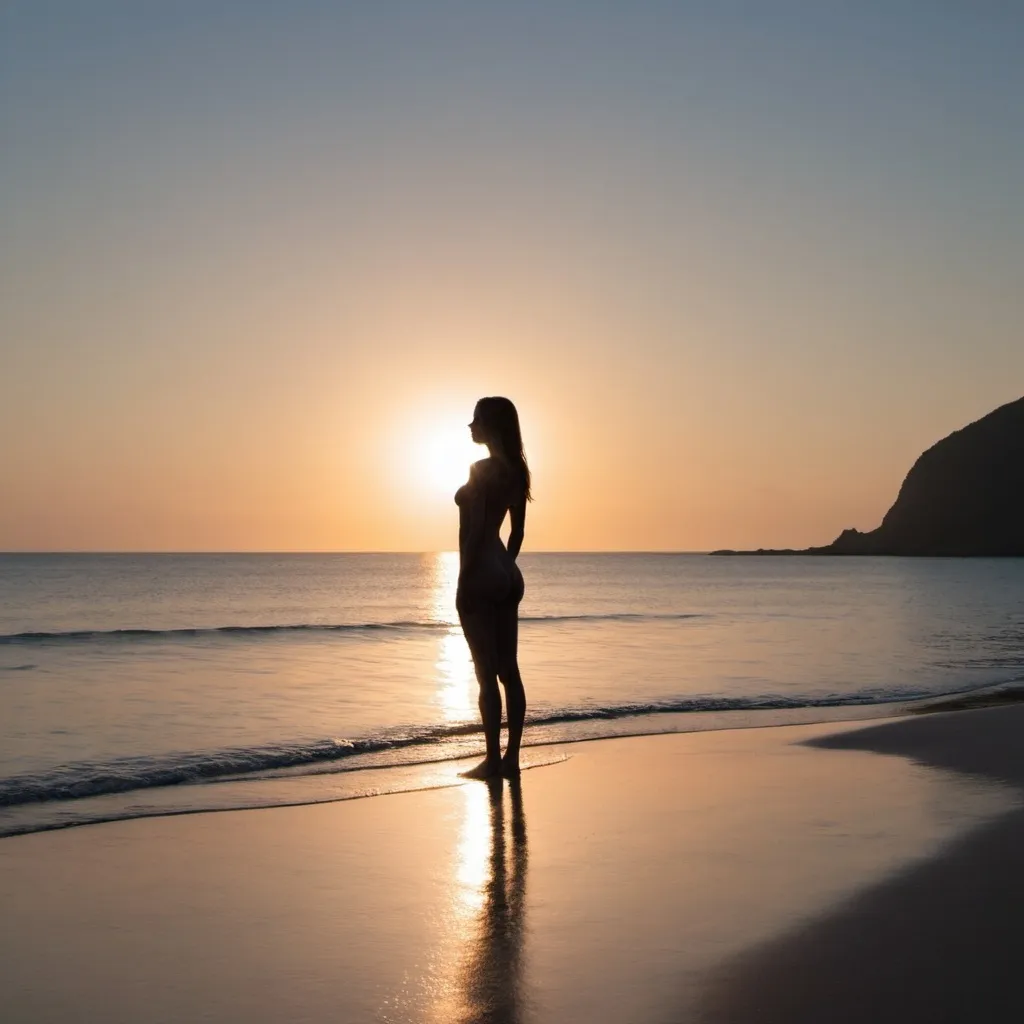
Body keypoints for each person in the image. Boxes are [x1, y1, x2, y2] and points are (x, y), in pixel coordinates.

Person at [455, 396, 531, 779]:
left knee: (487, 675)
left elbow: (472, 533)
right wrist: (505, 569)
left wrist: (468, 578)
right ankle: (512, 759)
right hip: (506, 570)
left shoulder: (481, 470)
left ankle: (491, 759)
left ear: (492, 426)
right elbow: (515, 531)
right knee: (510, 671)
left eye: (477, 419)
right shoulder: (517, 471)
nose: (471, 425)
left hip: (482, 568)